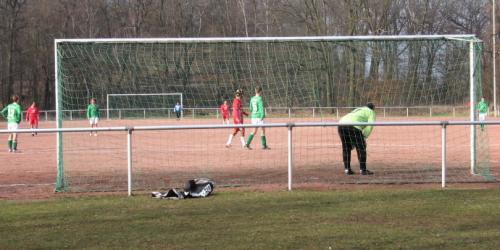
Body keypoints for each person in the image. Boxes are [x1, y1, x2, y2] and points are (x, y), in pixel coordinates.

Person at [338, 103, 376, 175]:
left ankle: (347, 169)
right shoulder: (371, 111)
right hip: (353, 126)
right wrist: (364, 137)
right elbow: (370, 125)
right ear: (373, 108)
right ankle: (363, 170)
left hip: (341, 124)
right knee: (361, 147)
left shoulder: (358, 109)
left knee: (346, 148)